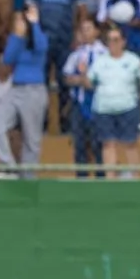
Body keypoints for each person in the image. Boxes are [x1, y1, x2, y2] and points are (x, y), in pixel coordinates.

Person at [31, 0, 88, 133]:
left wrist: (79, 33)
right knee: (41, 84)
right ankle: (42, 123)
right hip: (42, 41)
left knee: (66, 83)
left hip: (65, 40)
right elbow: (30, 10)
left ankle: (66, 125)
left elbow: (82, 11)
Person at [0, 6, 49, 176]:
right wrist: (16, 36)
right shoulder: (16, 40)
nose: (17, 23)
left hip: (34, 91)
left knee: (31, 141)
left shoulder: (39, 37)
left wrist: (35, 24)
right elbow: (7, 59)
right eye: (15, 21)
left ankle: (28, 189)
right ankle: (9, 167)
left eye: (20, 20)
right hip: (15, 90)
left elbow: (41, 46)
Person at [88, 24, 140, 177]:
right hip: (103, 108)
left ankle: (135, 179)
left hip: (128, 107)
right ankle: (110, 181)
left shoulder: (133, 60)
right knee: (108, 144)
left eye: (116, 40)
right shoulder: (99, 61)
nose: (113, 43)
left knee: (131, 144)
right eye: (110, 40)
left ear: (123, 42)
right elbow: (89, 82)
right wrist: (82, 75)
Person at [61, 16, 107, 176]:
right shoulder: (76, 55)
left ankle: (102, 178)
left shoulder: (105, 54)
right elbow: (67, 77)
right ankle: (81, 179)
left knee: (98, 143)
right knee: (79, 143)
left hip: (99, 104)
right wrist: (82, 79)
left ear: (97, 31)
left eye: (88, 29)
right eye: (82, 30)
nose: (85, 33)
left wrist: (88, 81)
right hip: (79, 104)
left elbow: (106, 79)